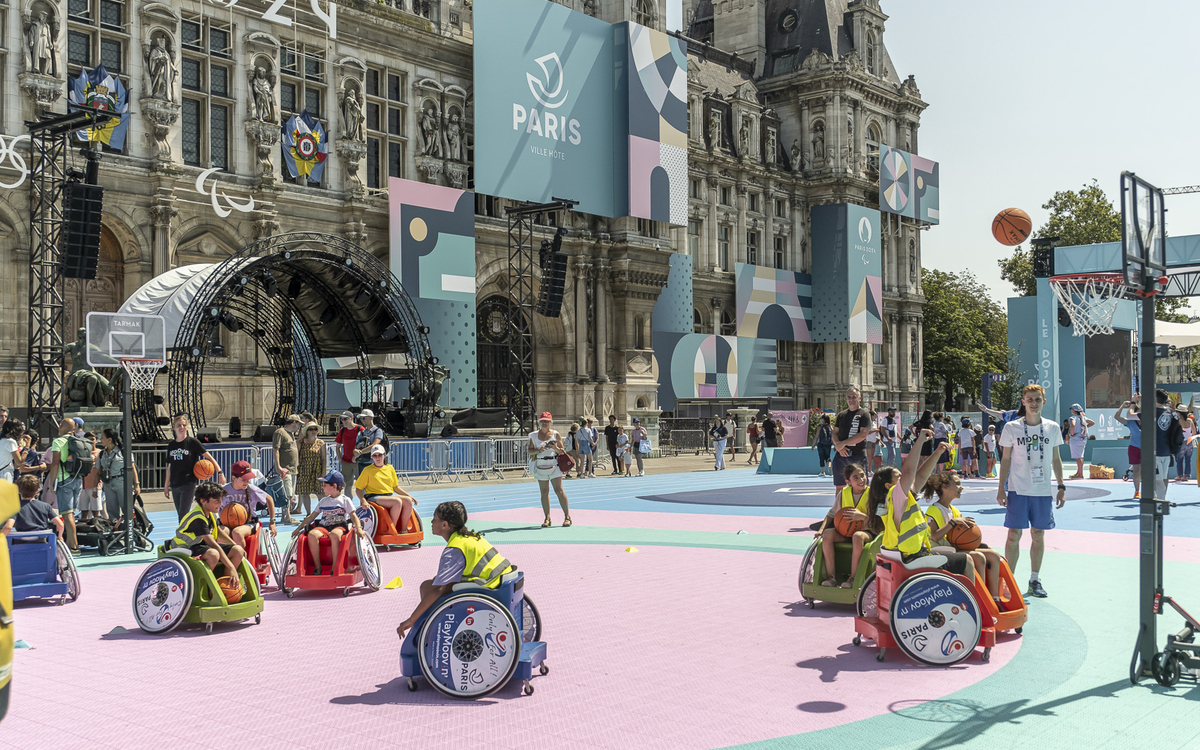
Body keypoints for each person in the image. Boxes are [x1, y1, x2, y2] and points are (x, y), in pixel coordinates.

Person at [396, 501, 517, 639]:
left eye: (434, 519)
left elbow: (437, 590)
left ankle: (433, 630)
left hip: (488, 588)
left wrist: (412, 619)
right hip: (503, 580)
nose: (431, 522)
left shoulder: (454, 549)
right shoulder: (469, 537)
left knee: (428, 587)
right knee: (436, 582)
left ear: (444, 524)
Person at [871, 429, 977, 580]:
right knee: (967, 560)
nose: (903, 478)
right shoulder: (896, 494)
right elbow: (908, 471)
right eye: (898, 477)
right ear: (888, 485)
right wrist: (920, 440)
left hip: (904, 553)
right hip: (913, 556)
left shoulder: (896, 501)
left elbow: (920, 476)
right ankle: (971, 601)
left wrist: (938, 452)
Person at [996, 384, 1066, 599]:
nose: (1033, 403)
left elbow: (1056, 458)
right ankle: (1009, 581)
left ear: (1044, 401)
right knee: (1013, 534)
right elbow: (1006, 459)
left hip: (1042, 491)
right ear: (1023, 402)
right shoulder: (1011, 428)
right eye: (1030, 399)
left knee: (1038, 533)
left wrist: (1061, 486)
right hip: (1018, 489)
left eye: (1037, 399)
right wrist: (1001, 488)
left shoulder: (1053, 427)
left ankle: (1034, 579)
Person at [923, 471, 1005, 600]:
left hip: (953, 547)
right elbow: (935, 537)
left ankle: (995, 598)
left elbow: (963, 538)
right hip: (938, 550)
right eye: (957, 484)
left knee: (993, 555)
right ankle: (980, 599)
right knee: (978, 557)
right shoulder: (933, 510)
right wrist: (952, 522)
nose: (961, 487)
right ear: (944, 487)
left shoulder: (954, 510)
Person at [816, 387, 873, 531]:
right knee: (839, 486)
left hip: (858, 455)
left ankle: (865, 516)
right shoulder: (841, 415)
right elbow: (835, 433)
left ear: (859, 398)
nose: (851, 399)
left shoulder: (864, 414)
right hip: (841, 456)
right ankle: (839, 516)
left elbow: (863, 435)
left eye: (854, 396)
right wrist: (839, 446)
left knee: (861, 486)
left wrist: (843, 444)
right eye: (849, 397)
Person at [292, 471, 366, 576]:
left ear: (334, 486)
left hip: (340, 526)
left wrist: (359, 528)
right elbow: (312, 517)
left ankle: (335, 568)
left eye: (325, 485)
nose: (322, 487)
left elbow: (354, 516)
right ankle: (318, 568)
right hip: (324, 526)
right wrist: (298, 529)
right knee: (312, 534)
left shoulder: (345, 500)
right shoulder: (323, 501)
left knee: (335, 534)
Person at [818, 463, 881, 588]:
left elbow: (880, 520)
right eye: (856, 478)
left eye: (862, 476)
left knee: (857, 536)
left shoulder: (873, 494)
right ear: (848, 481)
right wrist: (821, 529)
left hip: (868, 531)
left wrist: (863, 517)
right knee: (827, 534)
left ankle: (853, 578)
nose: (861, 480)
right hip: (846, 532)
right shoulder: (843, 493)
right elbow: (831, 514)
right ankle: (831, 577)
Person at [167, 482, 245, 575]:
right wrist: (231, 567)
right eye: (216, 501)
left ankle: (227, 583)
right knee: (213, 554)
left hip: (200, 546)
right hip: (184, 548)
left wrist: (234, 545)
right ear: (203, 500)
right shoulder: (198, 518)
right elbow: (213, 544)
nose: (220, 504)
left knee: (238, 550)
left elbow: (218, 531)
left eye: (221, 500)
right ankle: (206, 587)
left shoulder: (211, 513)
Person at [165, 414, 225, 521]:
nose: (181, 427)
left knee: (183, 514)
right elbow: (170, 466)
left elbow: (209, 457)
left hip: (188, 482)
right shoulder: (172, 445)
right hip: (175, 483)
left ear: (187, 427)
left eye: (184, 425)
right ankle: (191, 532)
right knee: (180, 514)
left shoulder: (192, 442)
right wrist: (166, 485)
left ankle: (184, 535)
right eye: (179, 425)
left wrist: (220, 472)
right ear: (173, 427)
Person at [42, 416, 85, 552]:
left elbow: (55, 464)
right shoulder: (79, 440)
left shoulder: (58, 442)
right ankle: (70, 542)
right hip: (77, 479)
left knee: (67, 514)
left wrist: (52, 482)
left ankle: (74, 546)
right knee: (71, 512)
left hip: (64, 480)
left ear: (60, 426)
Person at [354, 445, 416, 533]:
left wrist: (409, 496)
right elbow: (358, 489)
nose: (377, 457)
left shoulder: (390, 468)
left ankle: (404, 529)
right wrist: (363, 500)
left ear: (384, 455)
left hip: (388, 496)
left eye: (380, 455)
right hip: (374, 497)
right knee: (397, 502)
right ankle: (391, 530)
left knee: (408, 501)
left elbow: (395, 487)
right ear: (371, 457)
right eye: (375, 455)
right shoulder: (367, 470)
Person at [527, 412, 572, 527]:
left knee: (559, 491)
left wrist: (555, 448)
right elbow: (530, 451)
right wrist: (539, 450)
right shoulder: (533, 436)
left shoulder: (555, 434)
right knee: (544, 492)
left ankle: (567, 517)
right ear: (539, 422)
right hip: (541, 465)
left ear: (551, 422)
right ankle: (547, 518)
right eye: (542, 421)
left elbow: (562, 451)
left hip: (554, 465)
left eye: (547, 421)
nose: (544, 423)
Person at [220, 459, 275, 549]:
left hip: (248, 523)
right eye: (244, 480)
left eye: (248, 479)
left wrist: (272, 521)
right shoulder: (223, 490)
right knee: (220, 533)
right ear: (234, 478)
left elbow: (269, 499)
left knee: (237, 533)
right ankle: (225, 558)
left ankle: (242, 558)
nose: (247, 482)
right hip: (227, 523)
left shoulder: (252, 490)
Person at [97, 429, 140, 521]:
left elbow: (132, 468)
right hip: (108, 484)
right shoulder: (101, 454)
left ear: (109, 439)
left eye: (102, 437)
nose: (100, 439)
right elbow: (98, 471)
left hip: (122, 483)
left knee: (127, 509)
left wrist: (136, 484)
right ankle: (116, 530)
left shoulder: (123, 452)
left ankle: (131, 530)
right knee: (111, 511)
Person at [2, 475, 64, 539]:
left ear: (18, 491)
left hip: (21, 543)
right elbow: (60, 525)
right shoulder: (46, 506)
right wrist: (60, 537)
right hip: (42, 542)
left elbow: (8, 527)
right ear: (37, 491)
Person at [1153, 389, 1184, 498]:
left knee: (1158, 479)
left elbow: (1130, 415)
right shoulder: (1170, 412)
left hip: (1156, 451)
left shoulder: (1152, 412)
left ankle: (1161, 502)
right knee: (1164, 477)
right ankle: (1163, 498)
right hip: (1167, 451)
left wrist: (1133, 402)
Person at [272, 414, 302, 524]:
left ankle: (287, 515)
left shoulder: (291, 434)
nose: (299, 427)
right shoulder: (280, 432)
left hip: (293, 469)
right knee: (287, 494)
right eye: (299, 424)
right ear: (294, 422)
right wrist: (278, 466)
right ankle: (286, 517)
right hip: (285, 470)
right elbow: (276, 449)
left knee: (290, 494)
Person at [295, 422, 326, 518]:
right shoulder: (301, 442)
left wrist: (323, 472)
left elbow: (323, 458)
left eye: (315, 429)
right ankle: (308, 513)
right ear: (306, 431)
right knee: (304, 492)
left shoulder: (321, 443)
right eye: (310, 429)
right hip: (304, 470)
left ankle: (324, 513)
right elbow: (296, 455)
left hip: (317, 469)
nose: (313, 431)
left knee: (320, 492)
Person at [1115, 399, 1141, 498]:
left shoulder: (1150, 422)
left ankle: (1152, 491)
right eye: (1136, 413)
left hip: (1148, 448)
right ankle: (1137, 491)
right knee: (1137, 470)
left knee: (1147, 471)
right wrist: (1122, 405)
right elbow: (1116, 417)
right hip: (1134, 448)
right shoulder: (1130, 422)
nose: (1138, 415)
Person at [78, 432, 104, 522]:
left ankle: (98, 527)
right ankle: (82, 528)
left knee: (96, 511)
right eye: (88, 439)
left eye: (92, 439)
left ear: (96, 440)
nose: (90, 441)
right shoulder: (82, 453)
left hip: (95, 486)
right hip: (83, 486)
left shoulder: (100, 453)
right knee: (83, 511)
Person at [1065, 403, 1094, 479]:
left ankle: (1080, 473)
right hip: (1083, 438)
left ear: (1074, 410)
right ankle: (1079, 472)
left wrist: (1072, 433)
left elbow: (1073, 425)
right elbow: (1092, 422)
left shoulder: (1072, 418)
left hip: (1076, 438)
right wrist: (1085, 427)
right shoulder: (1083, 418)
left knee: (1078, 457)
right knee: (1080, 456)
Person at [334, 411, 362, 487]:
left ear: (351, 418)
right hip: (346, 461)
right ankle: (348, 499)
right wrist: (340, 459)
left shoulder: (360, 429)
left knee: (361, 484)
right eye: (342, 419)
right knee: (347, 485)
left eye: (345, 419)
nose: (343, 421)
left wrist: (356, 456)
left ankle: (363, 499)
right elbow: (338, 446)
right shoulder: (342, 430)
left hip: (358, 461)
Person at [1175, 403, 1194, 483]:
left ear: (1179, 412)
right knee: (1188, 459)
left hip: (1181, 442)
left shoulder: (1178, 421)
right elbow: (1194, 432)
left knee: (1179, 459)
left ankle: (1180, 475)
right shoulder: (1190, 421)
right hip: (1189, 441)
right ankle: (1186, 475)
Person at [0, 419, 24, 483]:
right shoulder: (11, 441)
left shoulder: (2, 439)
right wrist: (27, 447)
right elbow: (19, 462)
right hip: (4, 474)